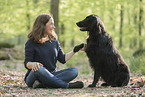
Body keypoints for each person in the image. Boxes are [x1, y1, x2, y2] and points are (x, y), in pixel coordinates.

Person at [24, 14, 85, 89]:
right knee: (39, 68)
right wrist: (33, 64)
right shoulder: (31, 42)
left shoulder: (54, 41)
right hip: (34, 76)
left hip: (52, 75)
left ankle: (43, 84)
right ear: (42, 25)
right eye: (51, 24)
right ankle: (66, 85)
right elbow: (27, 63)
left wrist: (75, 50)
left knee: (74, 71)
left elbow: (63, 59)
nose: (54, 27)